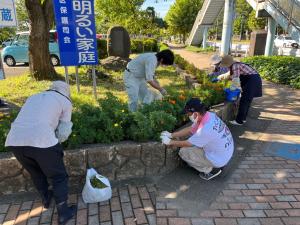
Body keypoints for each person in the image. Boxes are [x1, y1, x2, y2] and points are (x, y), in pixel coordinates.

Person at [5, 81, 76, 225]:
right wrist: (56, 144)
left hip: (15, 141)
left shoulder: (33, 97)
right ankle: (63, 213)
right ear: (66, 91)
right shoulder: (65, 101)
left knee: (36, 172)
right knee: (59, 176)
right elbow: (64, 132)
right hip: (42, 141)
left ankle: (46, 199)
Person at [160, 98, 234, 180]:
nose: (187, 115)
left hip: (219, 159)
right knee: (194, 144)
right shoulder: (208, 116)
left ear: (195, 114)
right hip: (225, 152)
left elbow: (188, 143)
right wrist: (171, 135)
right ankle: (212, 164)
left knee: (183, 152)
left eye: (188, 113)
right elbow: (191, 129)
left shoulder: (205, 129)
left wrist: (170, 142)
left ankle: (211, 170)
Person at [218, 55, 262, 125]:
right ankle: (243, 119)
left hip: (251, 81)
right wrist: (219, 77)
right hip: (253, 80)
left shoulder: (235, 66)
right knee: (247, 101)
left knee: (244, 101)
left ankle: (239, 121)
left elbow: (236, 79)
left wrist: (232, 89)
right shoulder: (235, 65)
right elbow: (228, 74)